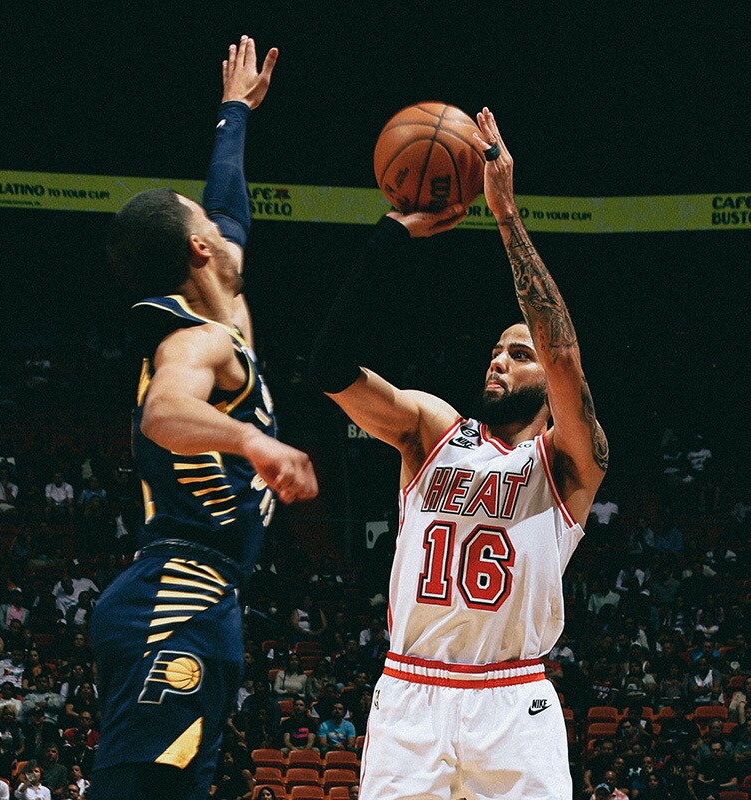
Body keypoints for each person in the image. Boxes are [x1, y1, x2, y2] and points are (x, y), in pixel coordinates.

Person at [310, 107, 607, 800]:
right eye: (496, 350)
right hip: (412, 692)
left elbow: (563, 352)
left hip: (512, 699)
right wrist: (391, 234)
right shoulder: (431, 431)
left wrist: (506, 218)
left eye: (517, 352)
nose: (499, 361)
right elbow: (326, 365)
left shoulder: (568, 465)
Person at [87, 37, 316, 800]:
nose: (222, 223)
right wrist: (253, 440)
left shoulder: (229, 318)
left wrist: (234, 115)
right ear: (198, 247)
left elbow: (226, 202)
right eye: (207, 224)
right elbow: (164, 410)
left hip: (204, 598)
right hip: (172, 601)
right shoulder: (198, 340)